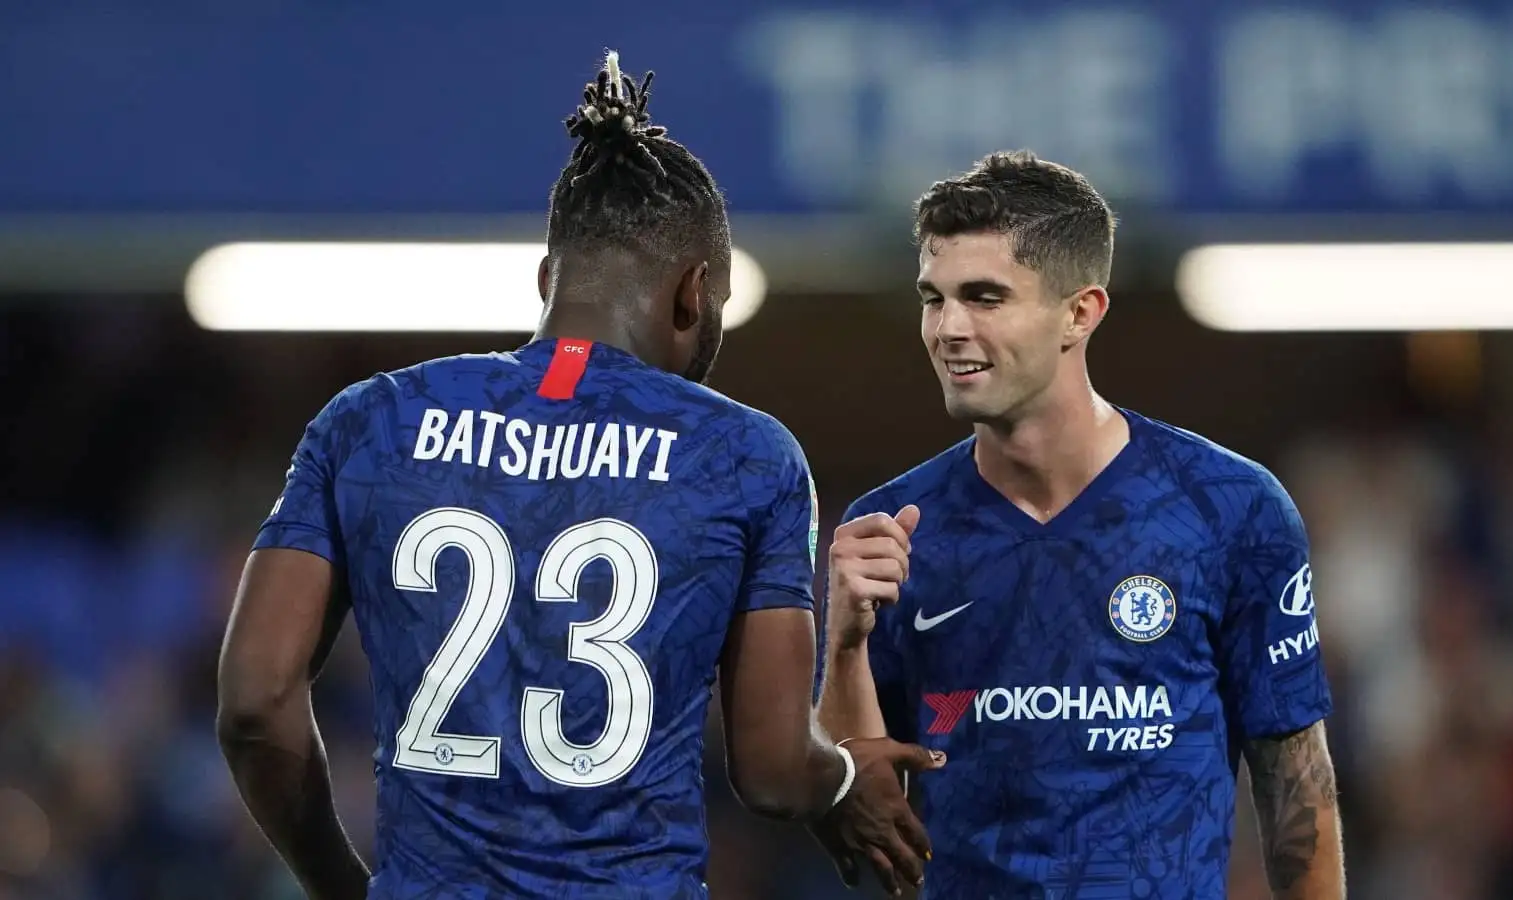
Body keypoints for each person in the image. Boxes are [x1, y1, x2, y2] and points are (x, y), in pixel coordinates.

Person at [215, 51, 940, 900]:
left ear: (547, 279)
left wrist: (342, 884)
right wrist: (846, 781)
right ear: (694, 292)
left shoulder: (369, 420)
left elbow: (255, 703)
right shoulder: (745, 456)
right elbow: (776, 771)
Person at [815, 150, 1346, 898]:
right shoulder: (890, 531)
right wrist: (844, 647)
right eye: (933, 299)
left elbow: (1298, 789)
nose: (948, 329)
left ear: (1080, 312)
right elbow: (859, 833)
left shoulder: (1230, 509)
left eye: (985, 297)